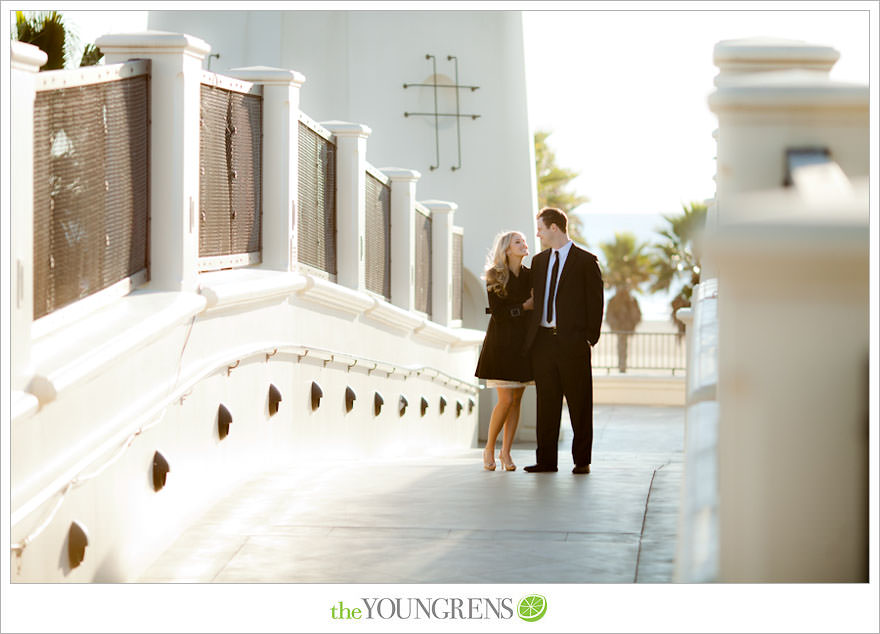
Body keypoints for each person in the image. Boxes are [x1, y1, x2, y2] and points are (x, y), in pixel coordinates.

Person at [523, 207, 604, 474]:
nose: (538, 233)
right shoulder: (539, 261)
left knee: (580, 403)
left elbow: (595, 302)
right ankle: (546, 460)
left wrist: (588, 338)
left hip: (573, 343)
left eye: (541, 228)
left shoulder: (585, 261)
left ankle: (582, 461)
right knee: (546, 404)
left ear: (554, 228)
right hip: (543, 343)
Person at [474, 231, 535, 471]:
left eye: (524, 241)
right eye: (517, 242)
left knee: (517, 400)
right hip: (501, 343)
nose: (524, 244)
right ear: (507, 249)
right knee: (506, 398)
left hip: (524, 344)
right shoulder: (494, 275)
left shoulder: (532, 276)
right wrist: (523, 307)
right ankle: (489, 447)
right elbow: (498, 313)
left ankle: (506, 453)